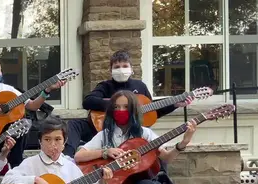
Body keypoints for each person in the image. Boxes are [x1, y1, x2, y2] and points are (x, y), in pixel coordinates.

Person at [74, 90, 197, 184]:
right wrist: (105, 152)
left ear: (133, 109)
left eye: (126, 107)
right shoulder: (105, 134)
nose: (121, 110)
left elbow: (166, 157)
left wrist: (183, 143)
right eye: (116, 107)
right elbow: (79, 156)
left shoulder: (145, 134)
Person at [64, 49, 192, 158]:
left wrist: (174, 104)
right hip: (103, 126)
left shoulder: (140, 86)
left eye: (125, 66)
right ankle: (67, 158)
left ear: (131, 69)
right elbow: (88, 101)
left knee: (155, 149)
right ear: (111, 70)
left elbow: (152, 112)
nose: (121, 69)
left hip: (130, 130)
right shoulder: (105, 86)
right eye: (117, 67)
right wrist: (114, 107)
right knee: (74, 124)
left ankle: (161, 178)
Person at [0, 54, 66, 168]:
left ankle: (15, 167)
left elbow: (32, 106)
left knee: (22, 124)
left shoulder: (8, 89)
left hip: (3, 140)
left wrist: (47, 91)